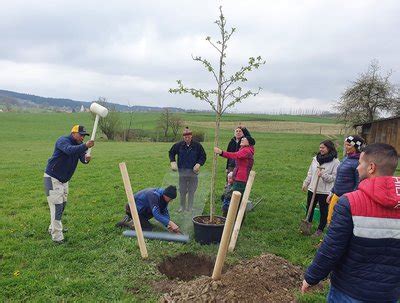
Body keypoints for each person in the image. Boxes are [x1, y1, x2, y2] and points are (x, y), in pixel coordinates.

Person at [301, 143, 400, 303]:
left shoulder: (351, 203)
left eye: (360, 163)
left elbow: (332, 247)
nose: (357, 167)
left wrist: (312, 277)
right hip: (388, 293)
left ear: (371, 168)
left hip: (349, 291)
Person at [44, 125, 94, 243]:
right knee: (57, 207)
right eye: (81, 135)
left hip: (64, 180)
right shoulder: (63, 141)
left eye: (84, 136)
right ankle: (57, 237)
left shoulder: (79, 145)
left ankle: (53, 227)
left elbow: (83, 159)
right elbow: (69, 150)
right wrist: (85, 146)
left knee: (62, 205)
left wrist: (87, 159)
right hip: (51, 178)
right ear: (73, 133)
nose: (82, 137)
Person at [302, 140, 340, 237]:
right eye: (320, 147)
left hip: (324, 191)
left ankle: (320, 229)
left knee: (323, 210)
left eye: (323, 148)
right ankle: (307, 225)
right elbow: (310, 172)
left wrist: (323, 175)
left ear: (329, 148)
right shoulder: (315, 159)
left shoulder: (335, 162)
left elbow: (334, 178)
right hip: (312, 188)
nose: (320, 149)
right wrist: (306, 183)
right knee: (309, 207)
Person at [326, 135, 365, 225]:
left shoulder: (358, 162)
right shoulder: (346, 158)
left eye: (349, 145)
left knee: (339, 223)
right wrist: (332, 192)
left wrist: (352, 199)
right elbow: (339, 177)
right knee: (330, 220)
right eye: (345, 145)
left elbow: (358, 183)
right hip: (336, 195)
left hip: (347, 199)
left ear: (356, 147)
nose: (346, 147)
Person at [214, 135, 255, 216]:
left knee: (237, 201)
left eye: (244, 139)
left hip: (241, 180)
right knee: (236, 200)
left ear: (248, 143)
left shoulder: (246, 150)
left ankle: (235, 220)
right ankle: (230, 218)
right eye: (242, 138)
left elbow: (235, 155)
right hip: (238, 178)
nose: (242, 139)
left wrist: (221, 152)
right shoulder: (244, 149)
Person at [169, 127, 207, 212]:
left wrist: (199, 164)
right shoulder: (179, 145)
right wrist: (173, 162)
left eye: (188, 136)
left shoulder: (197, 146)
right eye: (185, 137)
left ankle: (190, 207)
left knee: (191, 190)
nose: (187, 138)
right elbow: (171, 152)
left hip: (193, 172)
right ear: (183, 137)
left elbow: (203, 156)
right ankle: (182, 207)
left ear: (191, 136)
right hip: (182, 172)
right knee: (182, 190)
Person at [115, 185, 180, 233]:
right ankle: (129, 223)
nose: (171, 201)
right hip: (132, 209)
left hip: (143, 210)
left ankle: (133, 219)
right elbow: (157, 215)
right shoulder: (153, 195)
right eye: (170, 199)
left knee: (151, 218)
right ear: (166, 195)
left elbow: (164, 211)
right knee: (148, 229)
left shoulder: (164, 196)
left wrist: (167, 225)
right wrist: (171, 223)